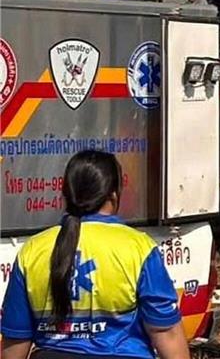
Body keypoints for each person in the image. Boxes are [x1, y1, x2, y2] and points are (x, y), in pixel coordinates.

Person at [1, 150, 189, 359]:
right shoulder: (138, 248)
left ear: (66, 194)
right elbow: (166, 332)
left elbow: (16, 340)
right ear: (114, 194)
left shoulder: (32, 251)